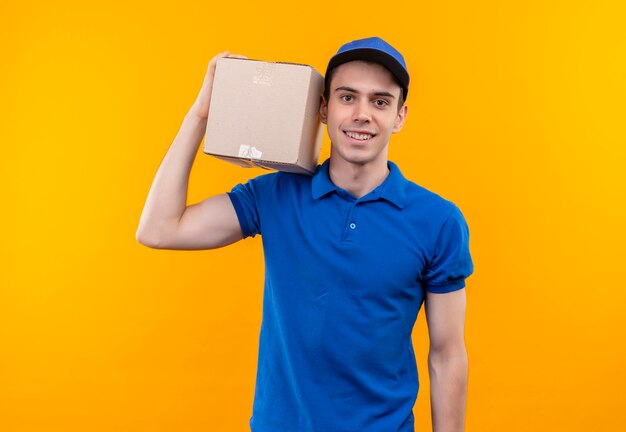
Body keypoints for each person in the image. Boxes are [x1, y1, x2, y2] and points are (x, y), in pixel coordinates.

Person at [137, 36, 474, 432]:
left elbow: (447, 355)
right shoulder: (275, 193)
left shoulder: (438, 220)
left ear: (400, 116)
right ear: (323, 109)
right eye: (347, 97)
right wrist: (199, 115)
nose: (362, 114)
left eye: (380, 101)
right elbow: (160, 229)